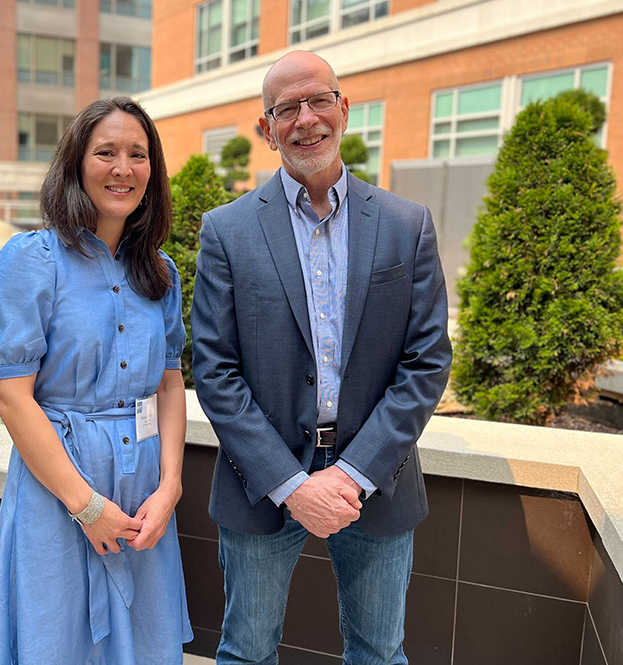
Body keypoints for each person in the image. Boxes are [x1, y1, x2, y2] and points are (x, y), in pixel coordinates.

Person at [191, 51, 452, 665]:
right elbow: (214, 370)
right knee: (246, 651)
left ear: (344, 109)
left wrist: (351, 472)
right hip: (262, 482)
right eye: (286, 109)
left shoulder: (405, 225)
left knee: (380, 652)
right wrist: (291, 484)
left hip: (377, 481)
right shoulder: (225, 231)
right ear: (266, 128)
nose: (305, 119)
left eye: (318, 101)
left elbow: (427, 361)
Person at [0, 97, 192, 664]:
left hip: (142, 491)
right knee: (56, 638)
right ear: (76, 163)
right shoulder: (31, 260)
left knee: (141, 645)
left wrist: (170, 487)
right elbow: (10, 396)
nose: (124, 168)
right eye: (106, 152)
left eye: (138, 155)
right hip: (59, 487)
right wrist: (85, 505)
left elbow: (168, 386)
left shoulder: (160, 273)